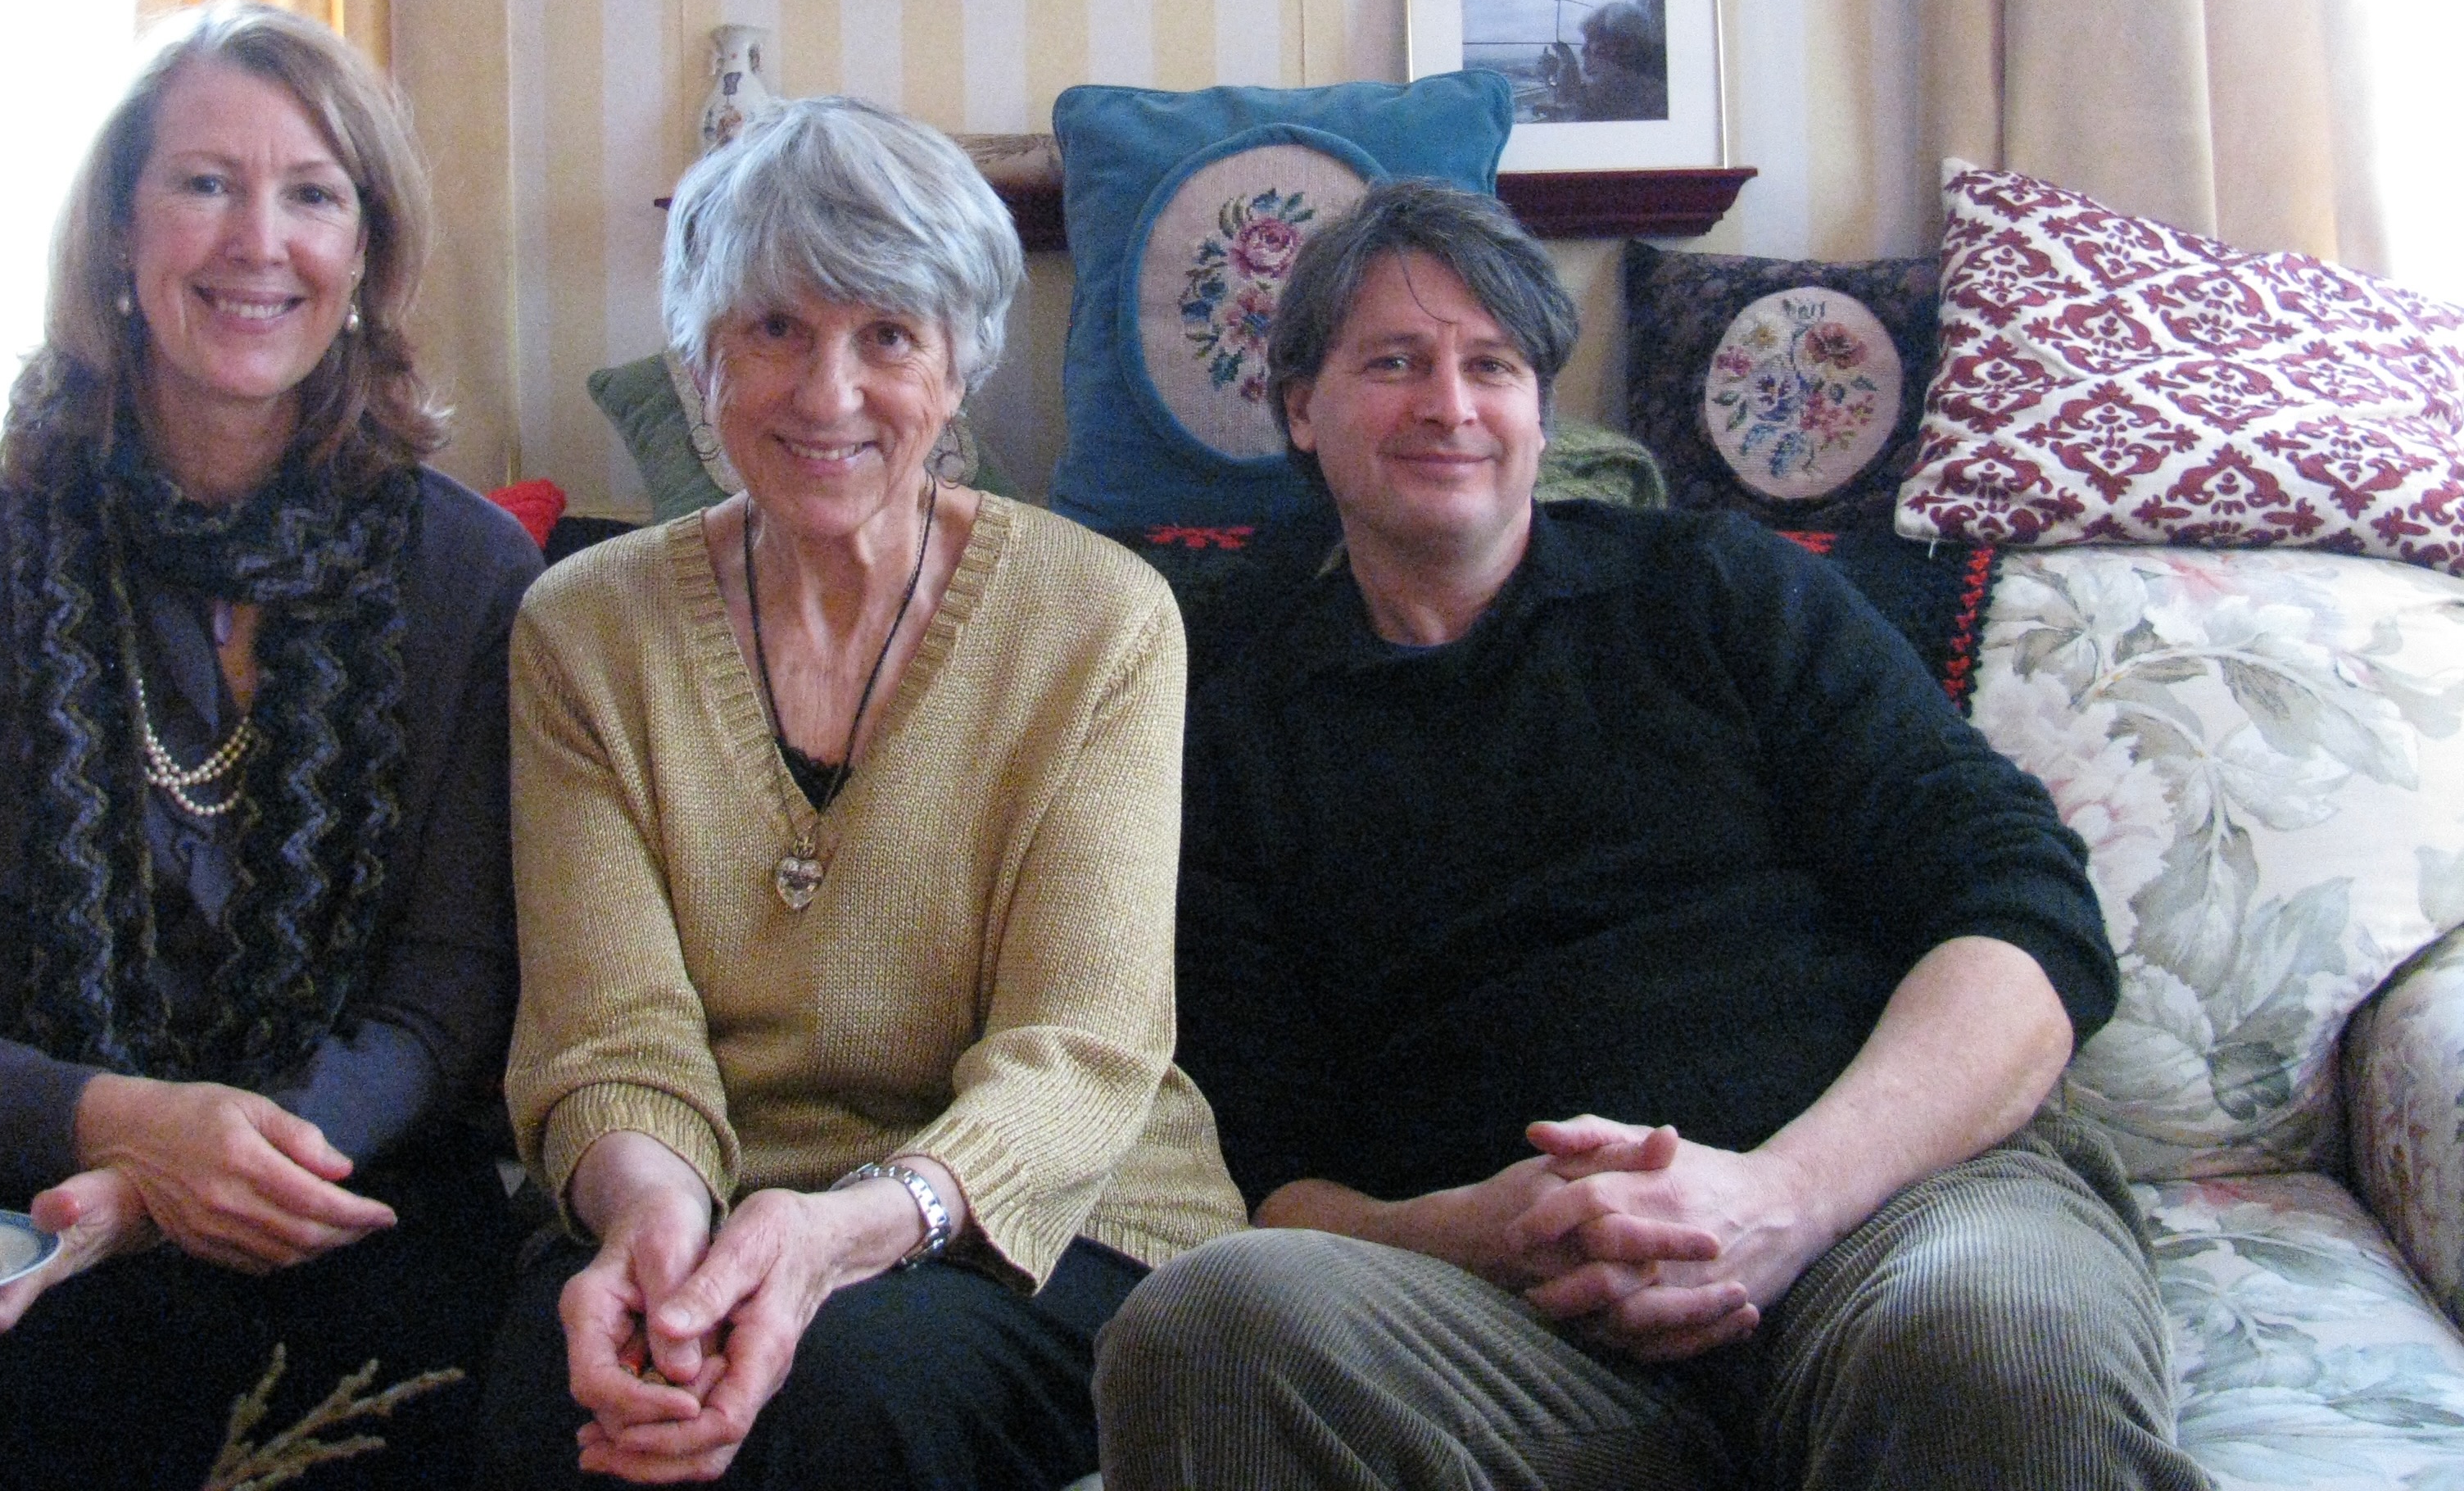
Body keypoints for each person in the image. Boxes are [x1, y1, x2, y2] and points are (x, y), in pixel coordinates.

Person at [1094, 179, 2210, 1491]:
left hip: (1888, 1219)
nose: (1450, 405)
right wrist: (1485, 1233)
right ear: (1299, 407)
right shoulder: (1223, 706)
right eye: (1393, 363)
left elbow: (2022, 914)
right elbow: (1263, 1166)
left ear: (1540, 409)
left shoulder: (1718, 589)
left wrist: (1782, 1198)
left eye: (1492, 366)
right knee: (1210, 1328)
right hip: (1507, 1326)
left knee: (1994, 1344)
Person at [0, 1, 542, 1489]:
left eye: (313, 195)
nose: (260, 241)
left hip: (342, 1196)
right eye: (205, 183)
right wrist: (116, 1130)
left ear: (367, 254)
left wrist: (181, 1180)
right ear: (119, 234)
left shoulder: (472, 576)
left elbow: (448, 1006)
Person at [484, 96, 1244, 1491]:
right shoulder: (582, 632)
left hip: (1047, 1219)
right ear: (699, 356)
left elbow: (1081, 1052)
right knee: (565, 1389)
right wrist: (655, 1230)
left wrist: (844, 1230)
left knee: (847, 1393)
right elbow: (609, 1035)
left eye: (887, 335)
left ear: (960, 365)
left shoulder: (1102, 621)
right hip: (710, 1203)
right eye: (775, 328)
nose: (827, 395)